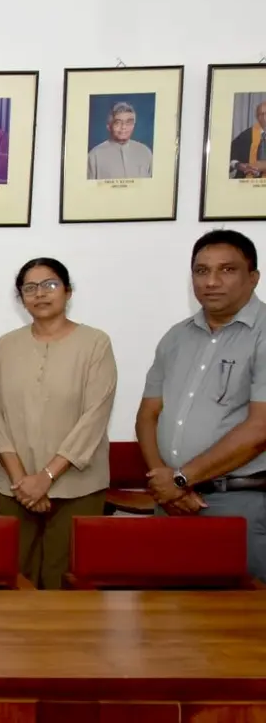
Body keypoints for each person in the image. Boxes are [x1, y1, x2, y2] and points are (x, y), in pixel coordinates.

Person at [137, 229, 266, 581]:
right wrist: (165, 483)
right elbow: (148, 415)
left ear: (253, 277)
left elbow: (260, 430)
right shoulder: (176, 337)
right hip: (172, 502)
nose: (211, 281)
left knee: (242, 609)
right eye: (201, 270)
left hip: (239, 502)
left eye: (227, 270)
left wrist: (181, 479)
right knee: (167, 604)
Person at [0, 258, 117, 589]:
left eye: (50, 285)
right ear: (21, 298)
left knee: (66, 582)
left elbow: (93, 418)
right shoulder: (5, 346)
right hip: (15, 487)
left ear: (68, 292)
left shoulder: (95, 343)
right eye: (30, 288)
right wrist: (22, 482)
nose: (40, 294)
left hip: (78, 486)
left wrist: (46, 478)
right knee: (17, 580)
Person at [86, 101, 153, 180]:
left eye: (128, 122)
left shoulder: (145, 152)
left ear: (134, 125)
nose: (124, 127)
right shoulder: (94, 156)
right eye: (118, 123)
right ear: (109, 126)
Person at [230, 101, 266, 179]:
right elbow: (230, 156)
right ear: (257, 117)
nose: (264, 117)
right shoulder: (246, 135)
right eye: (261, 114)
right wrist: (238, 165)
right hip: (247, 180)